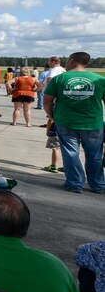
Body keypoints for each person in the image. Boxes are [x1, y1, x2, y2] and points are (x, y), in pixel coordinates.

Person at [43, 51, 105, 194]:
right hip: (93, 123)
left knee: (71, 153)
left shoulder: (59, 79)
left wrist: (52, 117)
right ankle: (98, 185)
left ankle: (75, 183)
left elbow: (47, 101)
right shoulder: (100, 79)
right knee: (94, 154)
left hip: (66, 122)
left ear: (71, 60)